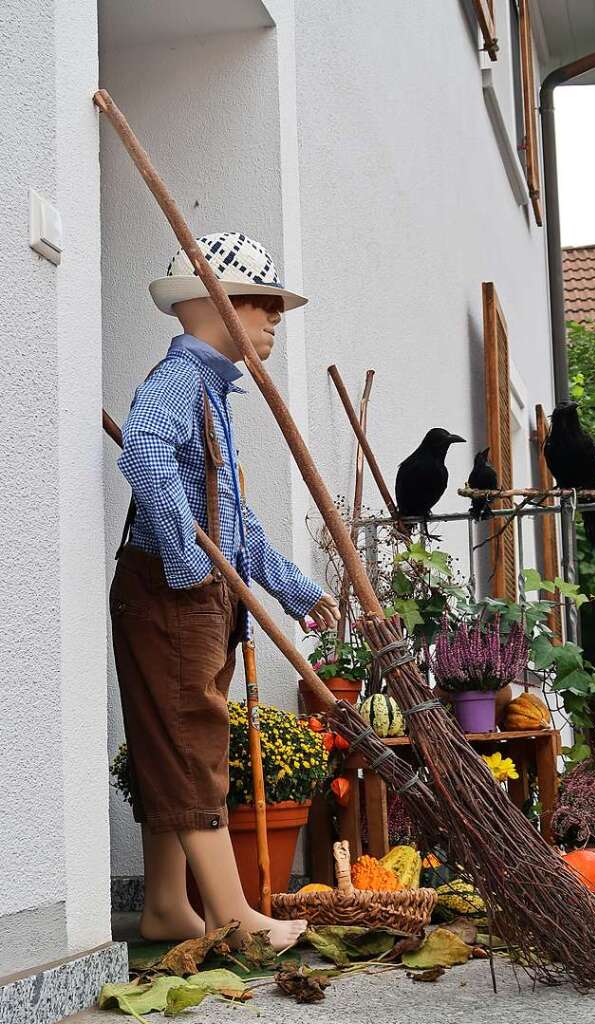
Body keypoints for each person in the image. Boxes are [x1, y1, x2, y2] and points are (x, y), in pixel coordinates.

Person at [110, 232, 339, 950]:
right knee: (193, 743)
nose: (274, 320)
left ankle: (168, 908)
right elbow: (144, 449)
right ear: (218, 304)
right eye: (264, 305)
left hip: (196, 595)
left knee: (169, 745)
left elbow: (231, 519)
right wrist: (183, 562)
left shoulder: (210, 388)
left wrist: (292, 589)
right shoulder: (179, 382)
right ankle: (234, 915)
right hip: (172, 595)